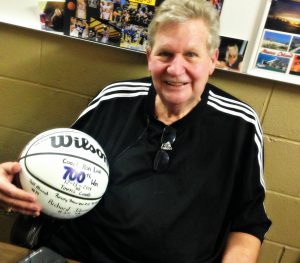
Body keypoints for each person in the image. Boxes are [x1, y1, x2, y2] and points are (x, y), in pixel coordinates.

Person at [0, 0, 271, 262]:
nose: (176, 69)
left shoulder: (240, 125)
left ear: (212, 61)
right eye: (165, 53)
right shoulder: (112, 100)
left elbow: (248, 223)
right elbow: (53, 170)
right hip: (77, 254)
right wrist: (12, 181)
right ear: (149, 55)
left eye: (191, 54)